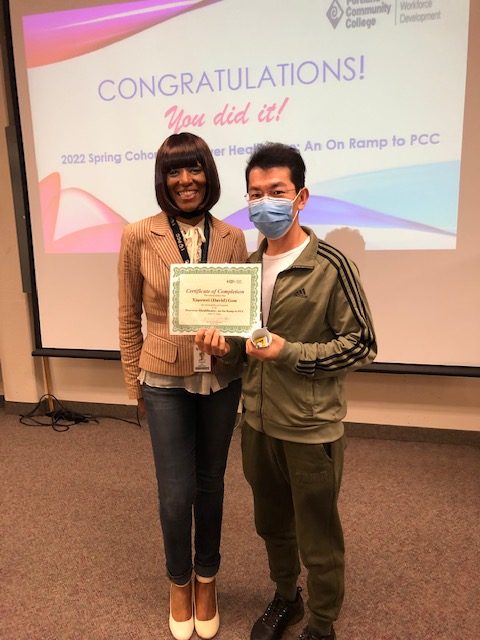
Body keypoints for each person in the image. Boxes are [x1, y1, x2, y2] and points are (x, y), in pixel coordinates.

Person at [195, 142, 376, 640]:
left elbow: (362, 345)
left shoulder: (331, 266)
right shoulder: (246, 270)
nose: (264, 203)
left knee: (319, 537)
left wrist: (288, 352)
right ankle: (286, 598)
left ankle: (321, 626)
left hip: (310, 428)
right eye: (255, 194)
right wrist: (219, 347)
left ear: (301, 197)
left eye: (276, 191)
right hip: (256, 424)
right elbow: (241, 351)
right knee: (273, 526)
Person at [118, 132, 248, 640]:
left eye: (194, 169)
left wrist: (231, 344)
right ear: (163, 179)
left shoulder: (233, 237)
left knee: (211, 484)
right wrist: (136, 387)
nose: (185, 180)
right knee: (175, 494)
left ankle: (207, 579)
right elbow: (128, 317)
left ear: (208, 174)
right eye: (174, 171)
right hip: (164, 379)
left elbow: (242, 315)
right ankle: (179, 582)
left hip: (220, 380)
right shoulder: (137, 235)